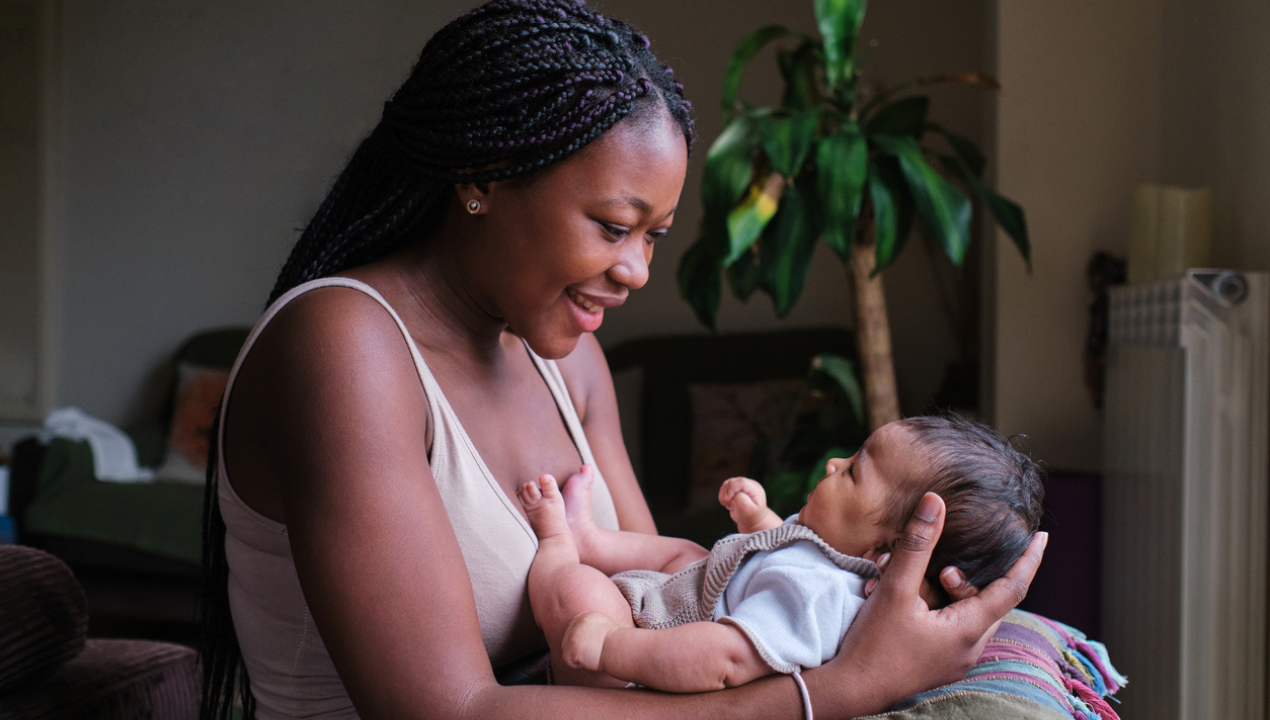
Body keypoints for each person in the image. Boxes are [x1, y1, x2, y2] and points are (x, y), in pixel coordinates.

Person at [198, 1, 1048, 719]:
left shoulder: (568, 361)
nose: (638, 271)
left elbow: (669, 608)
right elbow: (454, 712)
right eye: (612, 226)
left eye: (654, 237)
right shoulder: (344, 349)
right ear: (484, 175)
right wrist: (836, 690)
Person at [516, 415, 1045, 692]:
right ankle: (592, 539)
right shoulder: (830, 557)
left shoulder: (815, 599)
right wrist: (758, 521)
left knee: (581, 592)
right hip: (693, 594)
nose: (835, 463)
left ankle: (561, 550)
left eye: (856, 471)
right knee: (686, 552)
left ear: (886, 554)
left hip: (650, 662)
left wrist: (612, 647)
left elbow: (724, 660)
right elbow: (780, 557)